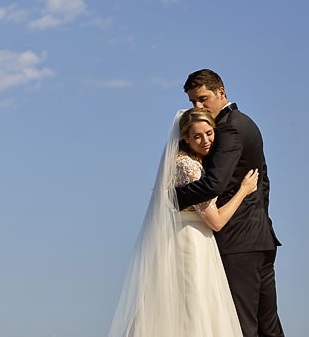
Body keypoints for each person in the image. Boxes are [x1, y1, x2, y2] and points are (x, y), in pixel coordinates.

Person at [108, 107, 259, 336]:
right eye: (197, 136)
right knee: (193, 305)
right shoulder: (187, 166)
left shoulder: (189, 162)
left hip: (191, 237)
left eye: (209, 133)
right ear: (185, 139)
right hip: (191, 242)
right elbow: (216, 221)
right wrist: (243, 191)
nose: (205, 140)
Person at [175, 69, 284, 336]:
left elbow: (215, 184)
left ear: (221, 92)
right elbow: (264, 184)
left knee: (240, 325)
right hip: (261, 240)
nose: (198, 107)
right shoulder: (248, 123)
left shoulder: (229, 128)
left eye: (203, 99)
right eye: (193, 103)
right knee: (269, 327)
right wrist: (260, 223)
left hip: (237, 242)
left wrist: (171, 197)